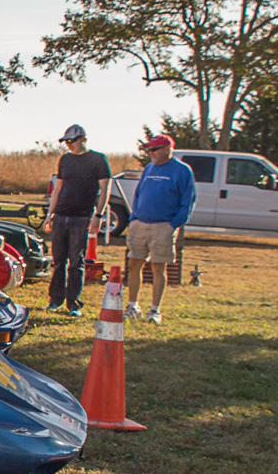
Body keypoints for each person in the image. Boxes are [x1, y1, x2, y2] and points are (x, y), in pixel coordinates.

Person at [41, 124, 112, 316]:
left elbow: (105, 189)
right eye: (66, 142)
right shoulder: (65, 160)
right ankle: (55, 300)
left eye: (72, 141)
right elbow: (57, 188)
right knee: (58, 261)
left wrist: (98, 215)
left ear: (83, 139)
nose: (69, 145)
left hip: (81, 217)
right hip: (60, 216)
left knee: (75, 262)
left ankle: (73, 303)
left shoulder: (98, 159)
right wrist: (50, 214)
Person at [126, 134, 195, 325]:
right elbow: (138, 194)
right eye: (149, 150)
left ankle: (155, 310)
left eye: (155, 149)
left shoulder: (182, 170)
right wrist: (134, 217)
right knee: (134, 264)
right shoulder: (149, 168)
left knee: (158, 267)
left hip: (164, 225)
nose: (151, 153)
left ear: (167, 149)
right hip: (140, 223)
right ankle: (132, 306)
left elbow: (187, 200)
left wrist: (174, 224)